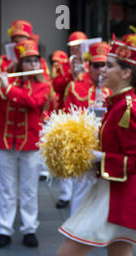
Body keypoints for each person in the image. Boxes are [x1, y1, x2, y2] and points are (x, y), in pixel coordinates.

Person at [56, 39, 136, 256]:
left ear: (126, 73)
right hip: (113, 191)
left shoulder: (128, 108)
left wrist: (99, 158)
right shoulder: (118, 104)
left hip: (118, 196)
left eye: (109, 65)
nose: (102, 69)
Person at [0, 40, 51, 248]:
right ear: (20, 64)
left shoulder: (43, 85)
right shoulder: (8, 81)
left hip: (29, 142)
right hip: (5, 140)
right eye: (28, 62)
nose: (33, 65)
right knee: (6, 188)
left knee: (29, 188)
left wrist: (8, 87)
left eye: (36, 61)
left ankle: (29, 228)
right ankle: (4, 229)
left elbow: (32, 102)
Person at [62, 42, 112, 215]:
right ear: (89, 66)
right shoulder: (76, 87)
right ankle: (75, 231)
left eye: (104, 65)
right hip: (85, 146)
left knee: (106, 192)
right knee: (81, 190)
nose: (100, 70)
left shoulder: (114, 88)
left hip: (107, 146)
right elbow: (67, 118)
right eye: (96, 65)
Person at [53, 31, 89, 209]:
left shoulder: (92, 63)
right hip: (66, 109)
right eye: (75, 46)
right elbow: (56, 86)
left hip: (85, 110)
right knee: (66, 153)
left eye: (80, 45)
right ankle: (65, 193)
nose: (77, 49)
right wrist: (71, 74)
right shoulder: (61, 65)